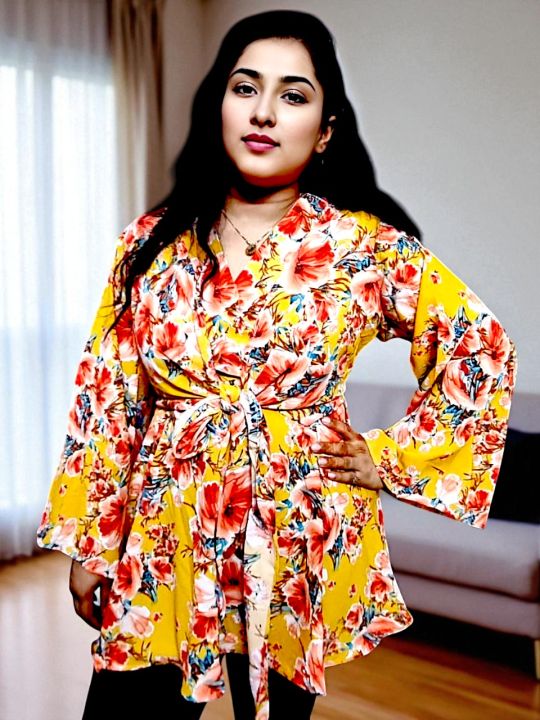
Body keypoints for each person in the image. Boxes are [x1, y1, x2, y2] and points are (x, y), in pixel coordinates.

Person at [37, 10, 516, 720]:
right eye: (245, 88)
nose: (264, 111)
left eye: (293, 95)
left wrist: (388, 458)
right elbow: (110, 401)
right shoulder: (150, 244)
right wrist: (92, 543)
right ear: (220, 108)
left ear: (324, 131)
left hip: (295, 529)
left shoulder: (364, 247)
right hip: (168, 534)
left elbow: (481, 346)